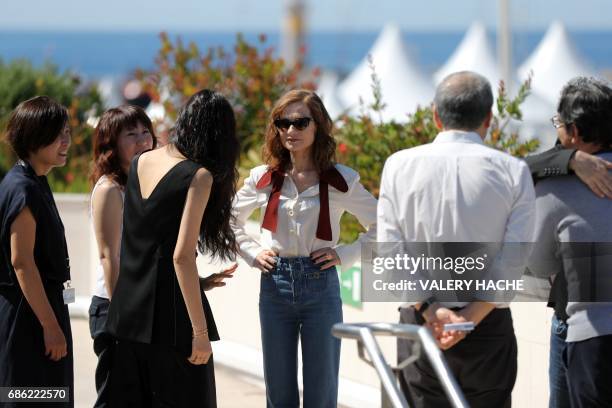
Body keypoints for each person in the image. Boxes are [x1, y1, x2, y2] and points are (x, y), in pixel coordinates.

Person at [378, 71, 535, 408]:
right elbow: (513, 260)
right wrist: (470, 317)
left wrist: (432, 310)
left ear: (435, 114)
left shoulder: (398, 166)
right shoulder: (513, 171)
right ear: (489, 118)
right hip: (488, 325)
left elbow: (391, 255)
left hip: (421, 323)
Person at [231, 89, 377, 408]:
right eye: (283, 122)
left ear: (318, 126)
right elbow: (228, 220)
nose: (290, 131)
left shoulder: (341, 181)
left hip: (321, 286)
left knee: (321, 394)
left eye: (300, 122)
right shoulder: (264, 178)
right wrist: (252, 252)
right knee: (278, 393)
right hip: (275, 286)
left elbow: (385, 225)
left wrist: (345, 254)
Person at [105, 90, 239, 407]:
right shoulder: (199, 175)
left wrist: (200, 282)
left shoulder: (140, 161)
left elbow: (146, 245)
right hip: (173, 325)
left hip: (128, 317)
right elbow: (180, 256)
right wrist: (201, 333)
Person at [527, 77, 612, 408]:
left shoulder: (556, 189)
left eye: (558, 124)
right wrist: (570, 160)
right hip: (573, 317)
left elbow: (538, 264)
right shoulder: (562, 167)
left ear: (574, 130)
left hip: (584, 328)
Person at [0, 96, 74, 407]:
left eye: (68, 132)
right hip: (29, 321)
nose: (66, 140)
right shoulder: (23, 187)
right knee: (30, 399)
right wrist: (50, 325)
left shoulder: (34, 181)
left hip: (41, 312)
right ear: (34, 136)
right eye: (58, 133)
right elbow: (22, 262)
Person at [89, 105, 156, 407]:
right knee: (115, 397)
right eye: (131, 134)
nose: (143, 140)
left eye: (146, 132)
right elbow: (109, 256)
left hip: (141, 305)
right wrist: (121, 315)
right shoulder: (109, 189)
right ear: (111, 144)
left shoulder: (143, 182)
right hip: (115, 307)